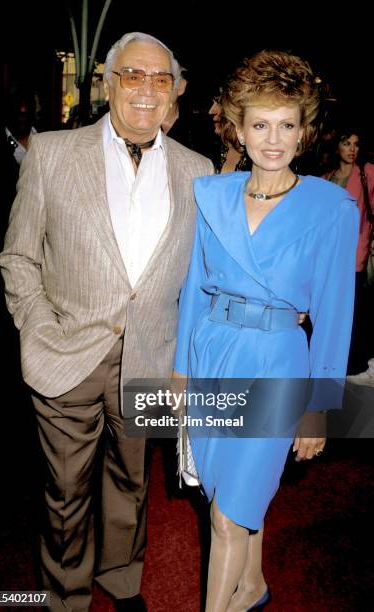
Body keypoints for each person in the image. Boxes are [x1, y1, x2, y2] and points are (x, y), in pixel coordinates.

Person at [0, 32, 213, 612]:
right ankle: (64, 595)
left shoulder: (200, 171)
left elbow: (201, 276)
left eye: (160, 79)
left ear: (177, 94)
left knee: (131, 484)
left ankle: (122, 581)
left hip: (153, 360)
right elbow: (18, 256)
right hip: (67, 353)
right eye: (133, 75)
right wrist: (37, 331)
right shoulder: (52, 153)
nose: (147, 90)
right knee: (65, 492)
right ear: (107, 82)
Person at [174, 49, 359, 611]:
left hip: (278, 362)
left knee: (228, 517)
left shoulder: (331, 207)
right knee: (222, 492)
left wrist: (318, 406)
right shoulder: (212, 194)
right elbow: (193, 291)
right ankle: (251, 586)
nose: (272, 139)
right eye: (260, 124)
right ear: (238, 126)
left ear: (304, 132)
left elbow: (335, 313)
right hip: (212, 353)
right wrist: (181, 371)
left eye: (286, 125)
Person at [323, 127, 374, 376]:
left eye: (356, 144)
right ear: (337, 147)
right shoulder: (327, 178)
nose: (353, 149)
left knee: (353, 309)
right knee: (330, 308)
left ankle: (354, 361)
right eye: (347, 143)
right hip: (329, 256)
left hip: (355, 252)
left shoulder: (367, 173)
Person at [208, 91, 248, 173]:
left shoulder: (256, 153)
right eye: (213, 103)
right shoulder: (211, 147)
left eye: (219, 103)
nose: (211, 111)